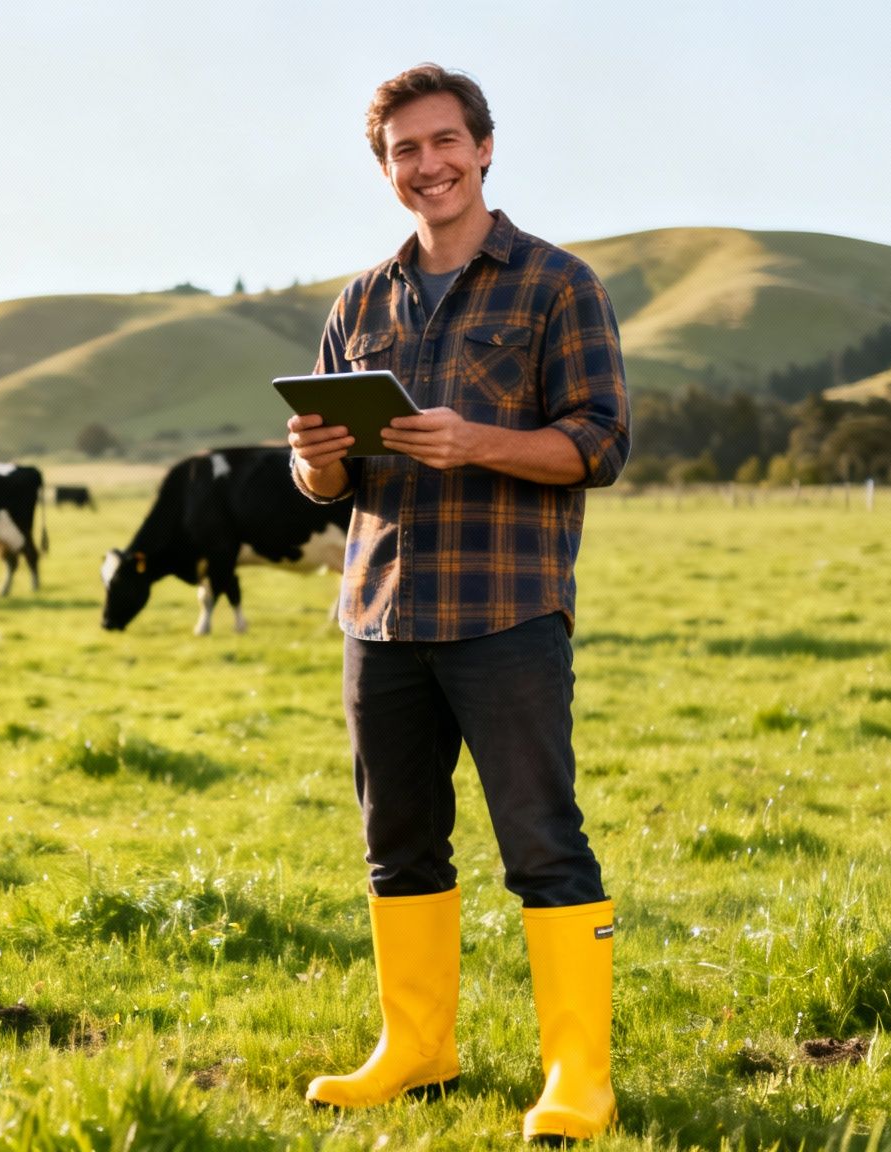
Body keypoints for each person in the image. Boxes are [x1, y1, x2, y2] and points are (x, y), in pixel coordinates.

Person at [285, 64, 630, 1142]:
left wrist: (476, 440)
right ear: (384, 168)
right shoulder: (360, 301)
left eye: (443, 143)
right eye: (403, 151)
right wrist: (315, 460)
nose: (425, 166)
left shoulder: (553, 285)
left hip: (506, 615)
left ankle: (578, 1077)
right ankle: (415, 1048)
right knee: (397, 844)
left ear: (483, 149)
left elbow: (599, 444)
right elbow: (323, 489)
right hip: (380, 615)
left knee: (541, 841)